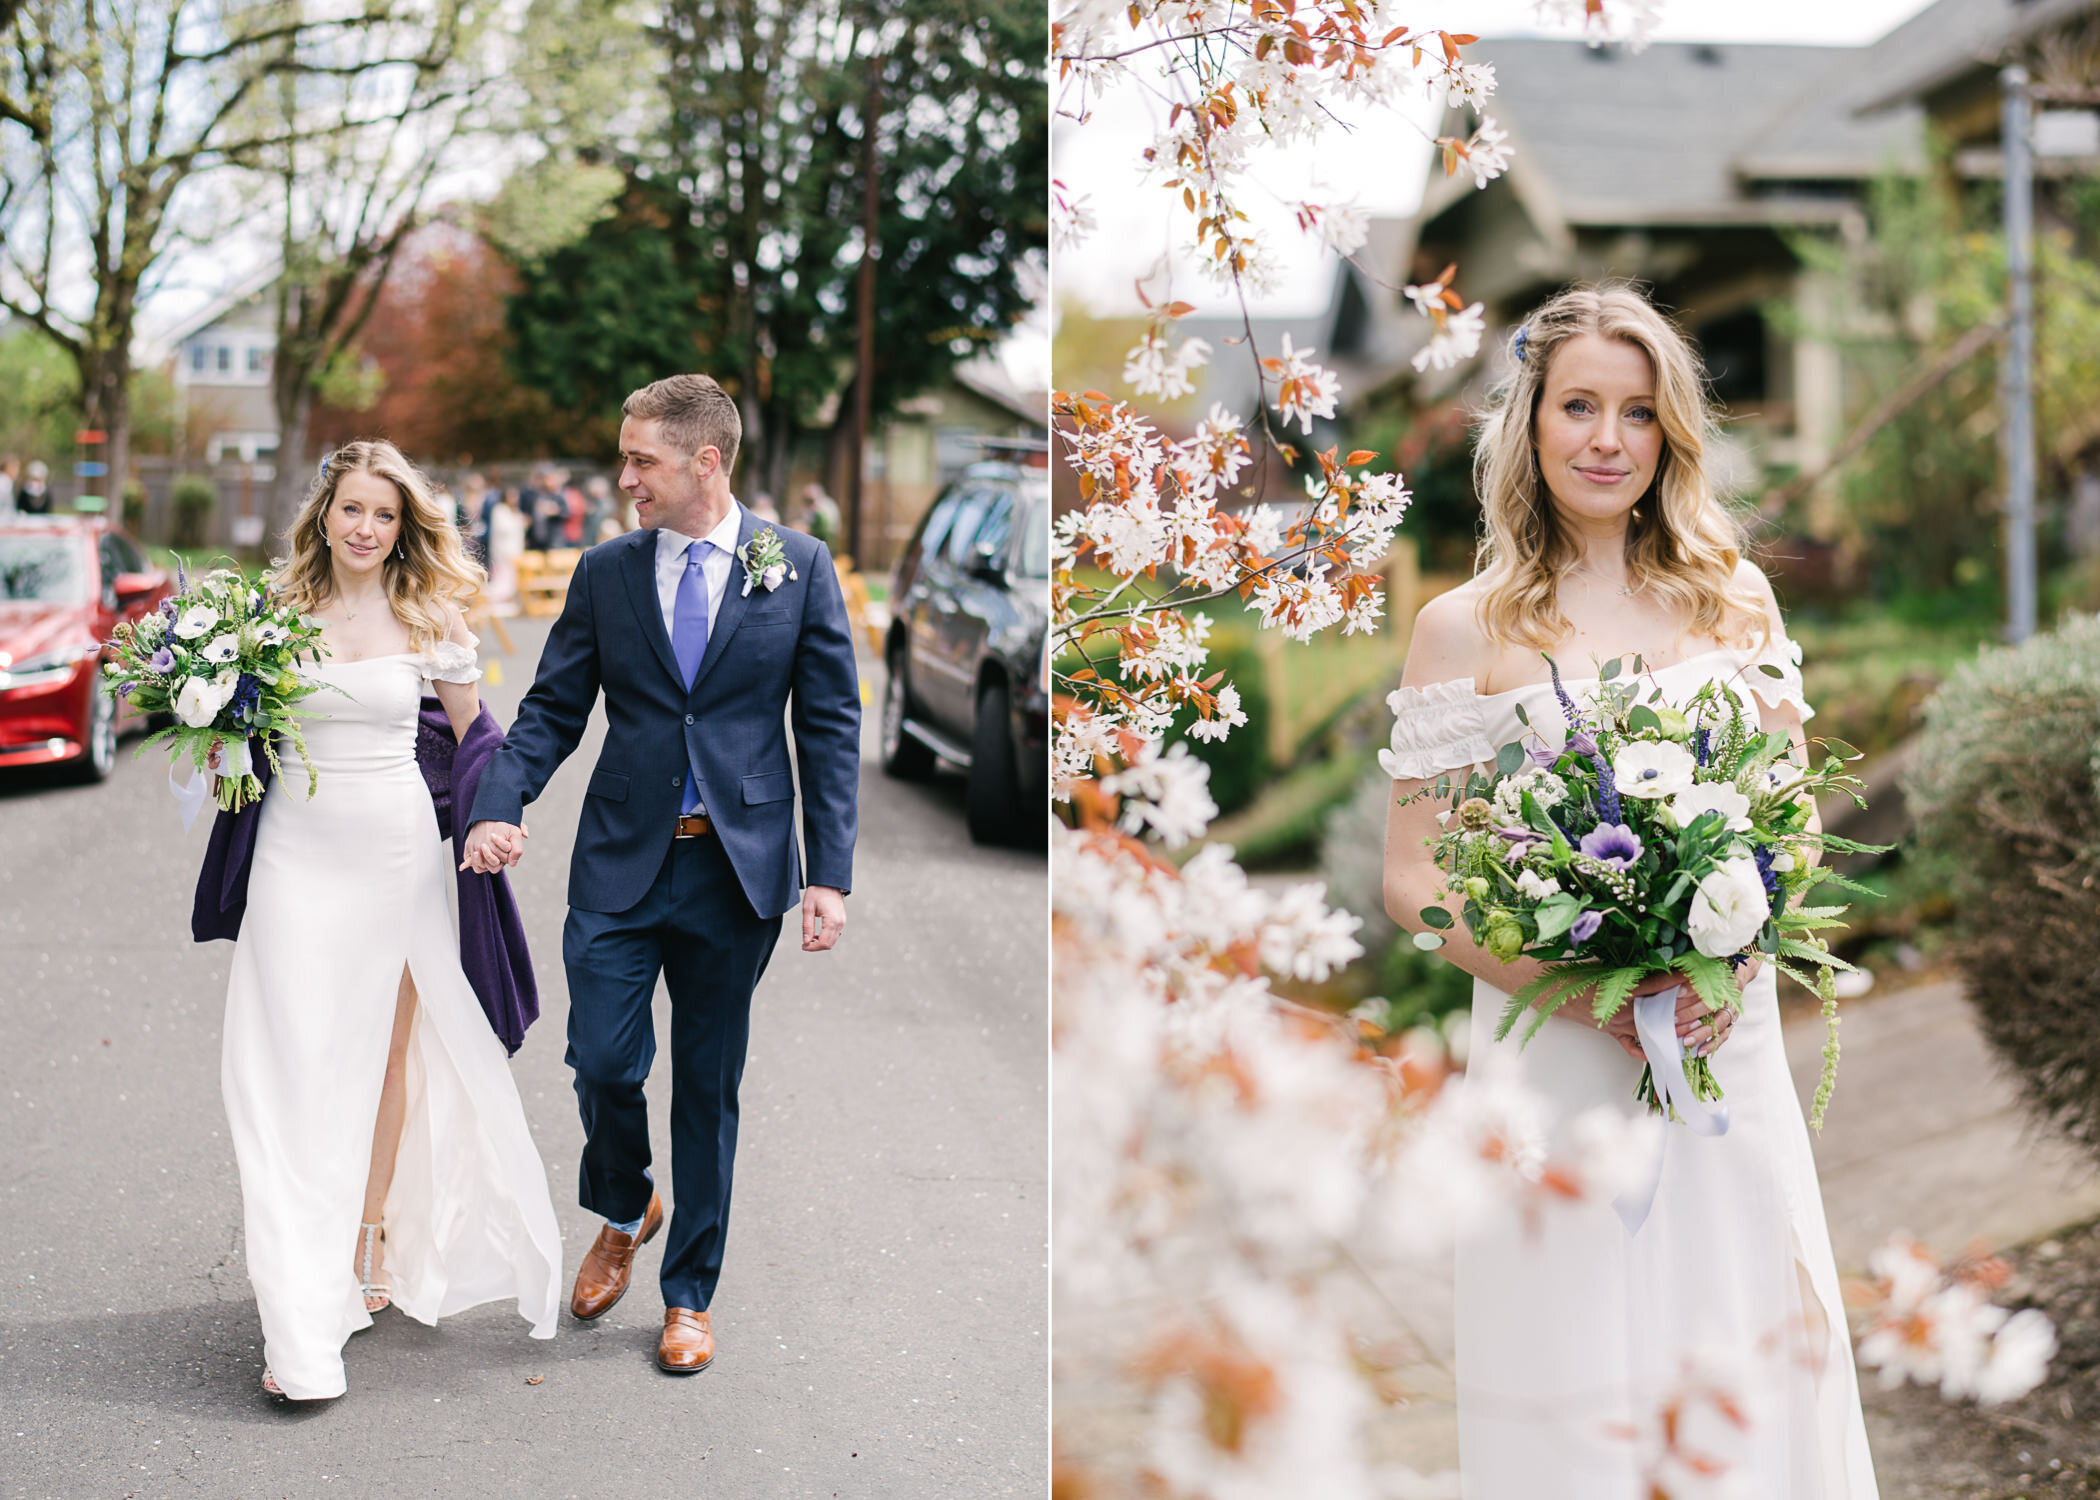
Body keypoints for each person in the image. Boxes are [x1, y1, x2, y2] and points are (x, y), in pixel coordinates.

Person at [1379, 285, 1877, 1496]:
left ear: (1672, 435)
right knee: (1574, 1356)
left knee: (1747, 1326)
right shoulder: (1463, 628)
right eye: (1581, 407)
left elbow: (1792, 824)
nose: (1609, 439)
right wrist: (1584, 995)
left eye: (1640, 413)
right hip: (1555, 1043)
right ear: (1531, 424)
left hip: (1722, 1035)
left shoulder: (1733, 596)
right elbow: (1413, 881)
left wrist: (1728, 961)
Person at [461, 373, 861, 1376]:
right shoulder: (606, 573)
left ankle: (689, 1294)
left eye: (641, 459)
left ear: (705, 462)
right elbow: (552, 710)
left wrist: (830, 874)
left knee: (707, 1087)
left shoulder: (798, 566)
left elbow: (829, 728)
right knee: (601, 1060)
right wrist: (500, 800)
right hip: (619, 861)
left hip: (739, 869)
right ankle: (626, 1202)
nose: (625, 476)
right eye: (626, 457)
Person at [200, 440, 561, 1400]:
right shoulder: (270, 616)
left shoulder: (428, 615)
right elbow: (239, 741)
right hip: (292, 855)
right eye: (352, 510)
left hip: (393, 855)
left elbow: (478, 733)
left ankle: (335, 1283)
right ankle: (305, 1292)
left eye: (384, 515)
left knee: (369, 1060)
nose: (365, 528)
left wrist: (493, 814)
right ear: (324, 515)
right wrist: (213, 745)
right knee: (273, 1068)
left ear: (405, 527)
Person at [486, 487, 527, 615]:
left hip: (515, 551)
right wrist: (519, 522)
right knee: (502, 579)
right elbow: (503, 529)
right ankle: (495, 601)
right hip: (503, 552)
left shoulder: (515, 511)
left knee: (511, 580)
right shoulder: (500, 510)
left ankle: (507, 602)